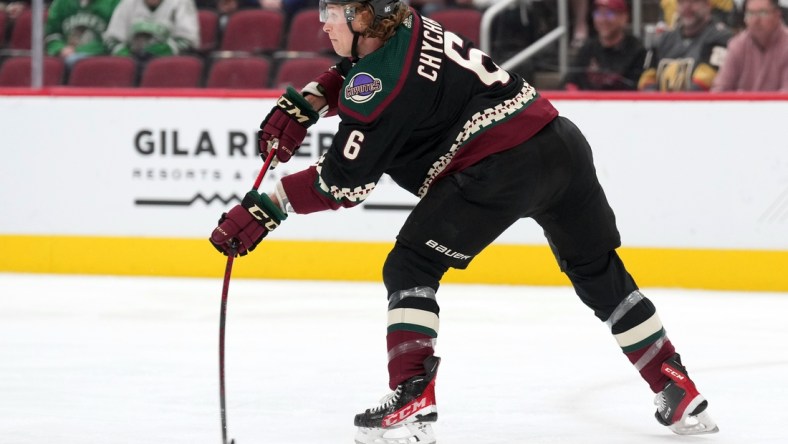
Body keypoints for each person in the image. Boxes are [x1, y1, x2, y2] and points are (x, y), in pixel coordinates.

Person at [209, 0, 719, 442]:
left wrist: (265, 206)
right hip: (560, 143)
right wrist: (317, 98)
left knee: (408, 267)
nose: (323, 22)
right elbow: (361, 69)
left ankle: (414, 399)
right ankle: (677, 386)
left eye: (334, 11)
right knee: (596, 271)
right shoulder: (408, 24)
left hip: (499, 168)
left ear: (365, 17)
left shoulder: (376, 86)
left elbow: (342, 184)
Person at [639, 0, 733, 91]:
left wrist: (673, 104)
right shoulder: (663, 40)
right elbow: (646, 79)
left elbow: (703, 85)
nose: (686, 7)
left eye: (693, 1)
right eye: (681, 1)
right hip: (660, 105)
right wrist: (653, 101)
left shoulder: (721, 38)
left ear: (708, 5)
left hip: (700, 106)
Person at [563, 0, 646, 90]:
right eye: (598, 14)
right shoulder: (588, 48)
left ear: (624, 17)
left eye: (609, 14)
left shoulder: (636, 50)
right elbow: (569, 82)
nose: (603, 19)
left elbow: (639, 89)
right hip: (587, 102)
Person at [712, 0, 788, 91]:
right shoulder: (737, 45)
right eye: (750, 14)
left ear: (777, 15)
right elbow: (720, 90)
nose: (756, 20)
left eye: (762, 13)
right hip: (741, 105)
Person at [103, 0, 199, 59]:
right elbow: (112, 38)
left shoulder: (181, 2)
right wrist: (126, 55)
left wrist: (165, 50)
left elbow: (188, 39)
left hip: (167, 62)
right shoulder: (128, 3)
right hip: (133, 59)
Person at [44, 0, 121, 66]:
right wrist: (60, 48)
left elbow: (114, 40)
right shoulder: (61, 3)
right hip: (66, 56)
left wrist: (79, 51)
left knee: (73, 61)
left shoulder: (113, 3)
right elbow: (51, 34)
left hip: (100, 58)